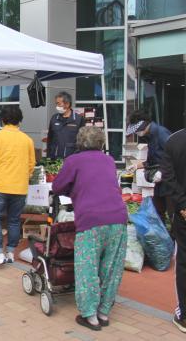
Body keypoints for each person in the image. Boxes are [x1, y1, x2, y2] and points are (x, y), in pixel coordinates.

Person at [50, 126, 128, 330]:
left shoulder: (73, 161)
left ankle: (90, 315)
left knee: (87, 267)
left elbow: (57, 186)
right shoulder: (109, 161)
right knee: (111, 267)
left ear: (79, 142)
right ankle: (103, 312)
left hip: (91, 219)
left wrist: (73, 189)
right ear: (101, 143)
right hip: (118, 217)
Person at [0, 105, 35, 266]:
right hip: (20, 187)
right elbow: (31, 165)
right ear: (19, 121)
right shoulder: (27, 140)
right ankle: (10, 252)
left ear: (2, 119)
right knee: (14, 220)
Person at [160, 126, 186, 333]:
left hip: (184, 213)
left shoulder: (174, 140)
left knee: (184, 262)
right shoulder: (174, 140)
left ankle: (184, 315)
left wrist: (183, 206)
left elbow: (168, 178)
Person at [126, 110, 172, 220]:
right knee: (157, 212)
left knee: (172, 214)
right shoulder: (150, 137)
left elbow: (173, 156)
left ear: (143, 125)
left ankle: (174, 236)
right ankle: (161, 235)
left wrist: (162, 171)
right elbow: (152, 160)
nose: (137, 133)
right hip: (159, 182)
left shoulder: (161, 134)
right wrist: (137, 166)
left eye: (137, 130)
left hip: (170, 182)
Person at [47, 91, 85, 159]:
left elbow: (82, 141)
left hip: (72, 158)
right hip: (55, 158)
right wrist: (48, 156)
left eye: (58, 104)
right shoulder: (54, 118)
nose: (57, 106)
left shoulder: (79, 119)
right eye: (56, 104)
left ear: (67, 104)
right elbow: (50, 139)